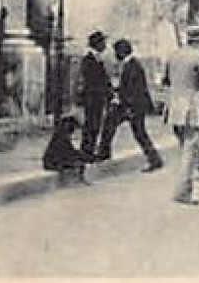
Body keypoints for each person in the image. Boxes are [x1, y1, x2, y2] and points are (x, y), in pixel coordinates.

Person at [163, 25, 199, 206]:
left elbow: (166, 80)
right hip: (193, 106)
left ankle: (183, 188)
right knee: (190, 150)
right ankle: (182, 192)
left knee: (184, 147)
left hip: (175, 106)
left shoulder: (173, 56)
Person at [97, 39, 164, 171]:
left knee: (132, 131)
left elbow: (134, 90)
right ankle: (154, 159)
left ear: (121, 52)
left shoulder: (132, 66)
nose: (115, 55)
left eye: (116, 52)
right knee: (115, 126)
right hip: (132, 105)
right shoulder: (131, 64)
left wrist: (127, 107)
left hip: (132, 106)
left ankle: (104, 153)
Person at [79, 31, 113, 161]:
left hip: (96, 97)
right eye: (103, 42)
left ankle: (89, 151)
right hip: (92, 97)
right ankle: (87, 152)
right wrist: (105, 90)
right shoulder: (89, 59)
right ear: (97, 44)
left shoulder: (97, 58)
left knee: (95, 124)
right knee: (91, 125)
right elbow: (93, 80)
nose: (105, 44)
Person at [42, 114, 90, 185]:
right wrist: (79, 155)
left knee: (79, 160)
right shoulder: (62, 137)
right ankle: (79, 180)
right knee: (79, 163)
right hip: (53, 162)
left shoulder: (60, 135)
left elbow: (69, 151)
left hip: (54, 160)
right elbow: (66, 152)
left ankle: (77, 179)